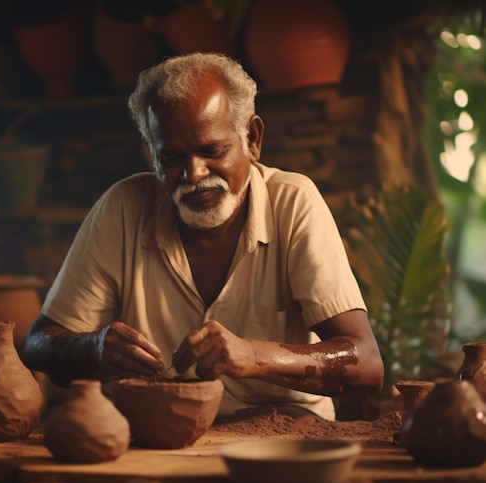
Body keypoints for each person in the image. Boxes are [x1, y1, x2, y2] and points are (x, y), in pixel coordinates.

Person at [21, 52, 384, 420]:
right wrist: (94, 347)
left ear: (252, 139)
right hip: (155, 438)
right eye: (172, 158)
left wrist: (253, 355)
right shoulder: (123, 207)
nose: (193, 174)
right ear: (151, 156)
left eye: (212, 151)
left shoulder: (293, 202)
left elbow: (367, 365)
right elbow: (38, 345)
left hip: (283, 435)